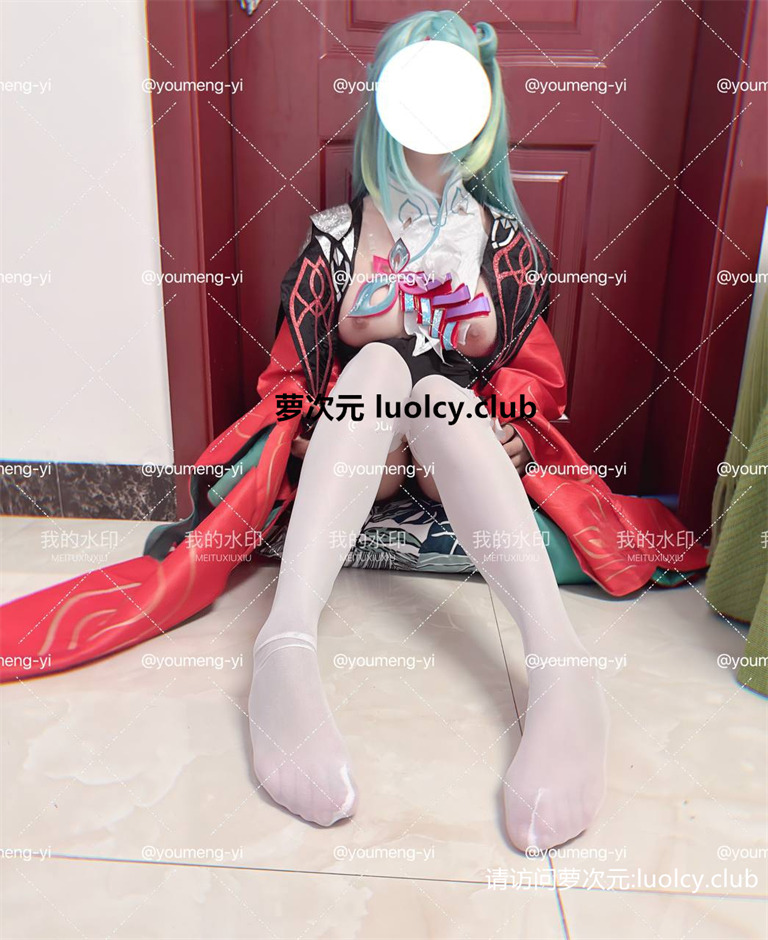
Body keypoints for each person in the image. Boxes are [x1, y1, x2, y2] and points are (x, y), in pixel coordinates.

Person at [0, 10, 708, 855]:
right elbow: (284, 383)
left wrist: (518, 424)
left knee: (435, 389)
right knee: (376, 367)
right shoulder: (335, 239)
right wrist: (300, 427)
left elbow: (536, 379)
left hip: (455, 451)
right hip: (363, 453)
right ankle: (286, 640)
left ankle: (559, 660)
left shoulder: (505, 243)